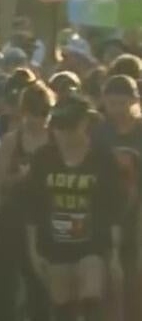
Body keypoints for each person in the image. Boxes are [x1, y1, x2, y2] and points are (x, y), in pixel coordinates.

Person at [24, 95, 123, 321]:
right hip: (55, 244)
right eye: (59, 128)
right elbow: (32, 207)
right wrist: (33, 250)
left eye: (70, 128)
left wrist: (115, 256)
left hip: (92, 243)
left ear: (84, 124)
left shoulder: (102, 158)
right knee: (62, 305)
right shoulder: (43, 158)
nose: (64, 135)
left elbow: (113, 207)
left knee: (91, 294)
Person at [0, 81, 55, 321]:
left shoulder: (55, 139)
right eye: (31, 113)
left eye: (41, 114)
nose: (36, 120)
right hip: (14, 216)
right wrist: (22, 176)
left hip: (45, 217)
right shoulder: (12, 140)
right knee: (5, 281)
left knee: (39, 279)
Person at [93, 75, 142, 320]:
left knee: (135, 278)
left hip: (137, 214)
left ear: (134, 100)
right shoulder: (100, 132)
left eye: (123, 103)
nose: (117, 109)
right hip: (107, 212)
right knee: (108, 280)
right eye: (112, 103)